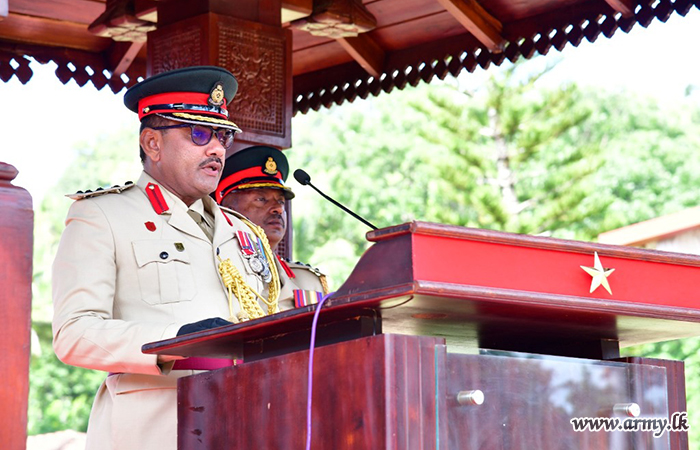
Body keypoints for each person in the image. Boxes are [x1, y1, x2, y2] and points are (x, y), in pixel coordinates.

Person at [52, 66, 283, 450]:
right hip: (156, 428)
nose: (217, 149)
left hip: (248, 421)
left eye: (223, 136)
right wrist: (175, 340)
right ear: (152, 143)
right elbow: (73, 334)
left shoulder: (244, 231)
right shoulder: (103, 215)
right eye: (199, 134)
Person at [215, 146, 329, 307]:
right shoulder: (215, 270)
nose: (278, 209)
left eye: (281, 201)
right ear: (227, 210)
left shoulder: (309, 282)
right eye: (261, 199)